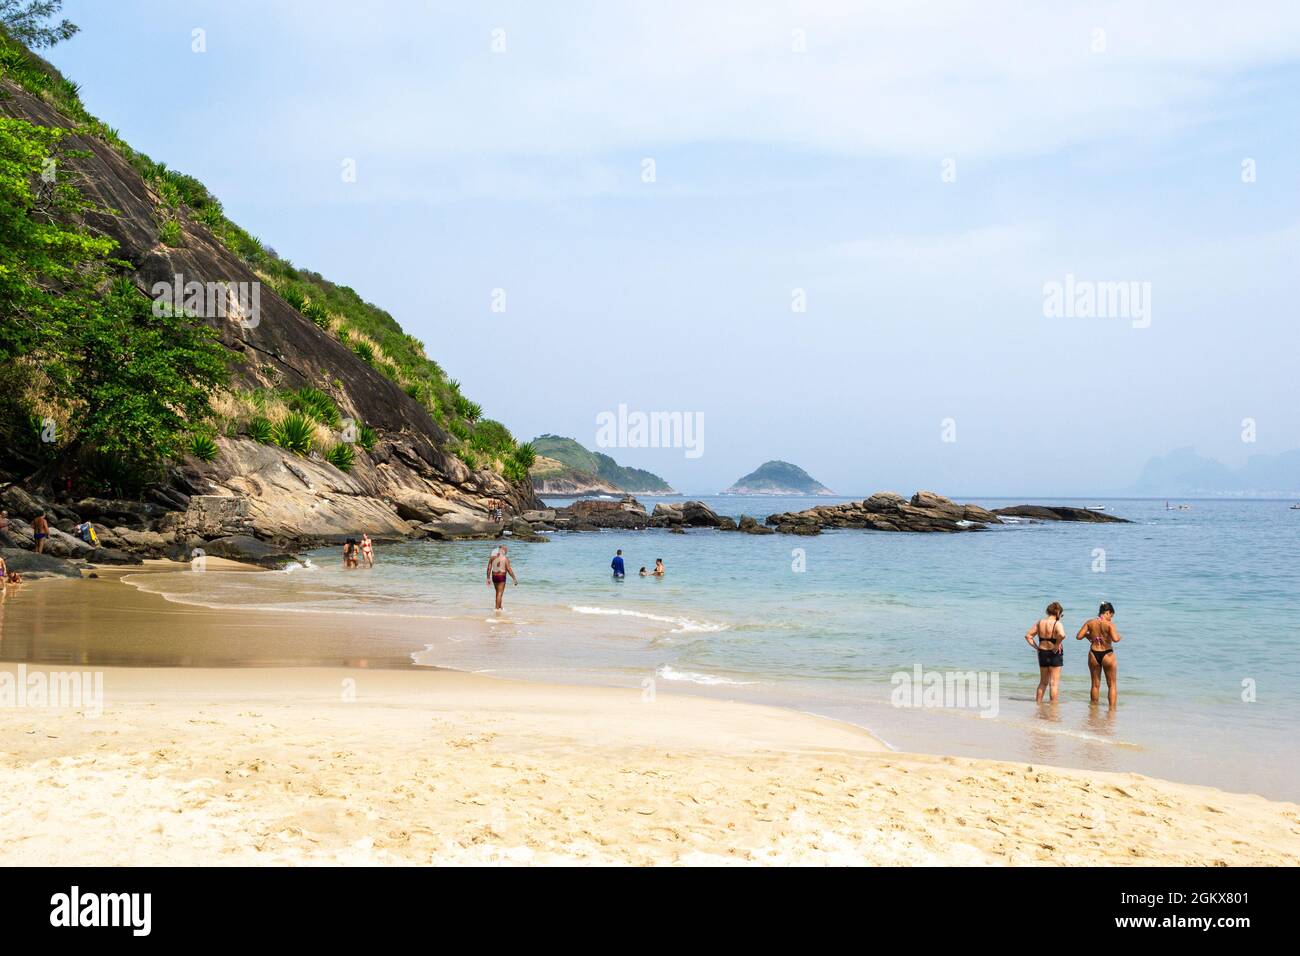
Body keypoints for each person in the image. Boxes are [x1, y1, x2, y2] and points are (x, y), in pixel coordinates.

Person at [1077, 602, 1123, 706]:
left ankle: (1094, 710)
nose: (1111, 618)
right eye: (1111, 615)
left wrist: (1088, 636)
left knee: (1095, 685)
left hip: (1093, 654)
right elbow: (1115, 639)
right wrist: (1120, 637)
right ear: (1107, 613)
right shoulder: (1110, 624)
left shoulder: (1090, 622)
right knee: (1112, 685)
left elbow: (1079, 636)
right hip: (1107, 654)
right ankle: (1112, 711)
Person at [1024, 601, 1066, 702]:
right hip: (1055, 653)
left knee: (1043, 682)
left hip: (1042, 652)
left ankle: (1038, 704)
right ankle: (1053, 707)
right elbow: (1062, 635)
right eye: (1061, 614)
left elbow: (1028, 636)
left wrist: (1037, 647)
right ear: (1058, 613)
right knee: (1054, 683)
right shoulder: (1057, 623)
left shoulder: (1040, 622)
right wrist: (1056, 645)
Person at [486, 543, 517, 610]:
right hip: (501, 577)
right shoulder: (505, 559)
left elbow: (489, 568)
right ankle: (497, 609)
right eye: (506, 550)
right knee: (500, 593)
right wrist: (514, 578)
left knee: (497, 592)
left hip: (494, 576)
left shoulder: (492, 558)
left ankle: (499, 607)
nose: (506, 551)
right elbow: (509, 569)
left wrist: (488, 578)